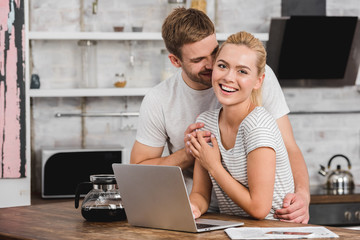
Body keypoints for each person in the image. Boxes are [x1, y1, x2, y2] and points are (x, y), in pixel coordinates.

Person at [130, 7, 309, 223]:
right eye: (198, 60)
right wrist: (190, 154)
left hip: (268, 221)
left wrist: (303, 196)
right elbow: (139, 173)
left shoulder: (257, 87)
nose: (213, 65)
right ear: (176, 61)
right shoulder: (169, 104)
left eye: (215, 53)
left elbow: (289, 147)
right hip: (214, 217)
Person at [188, 31, 294, 220]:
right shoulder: (205, 122)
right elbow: (201, 194)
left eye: (242, 71)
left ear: (258, 81)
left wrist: (214, 166)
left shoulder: (258, 125)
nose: (229, 77)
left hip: (275, 231)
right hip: (236, 230)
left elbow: (259, 208)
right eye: (222, 66)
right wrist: (192, 207)